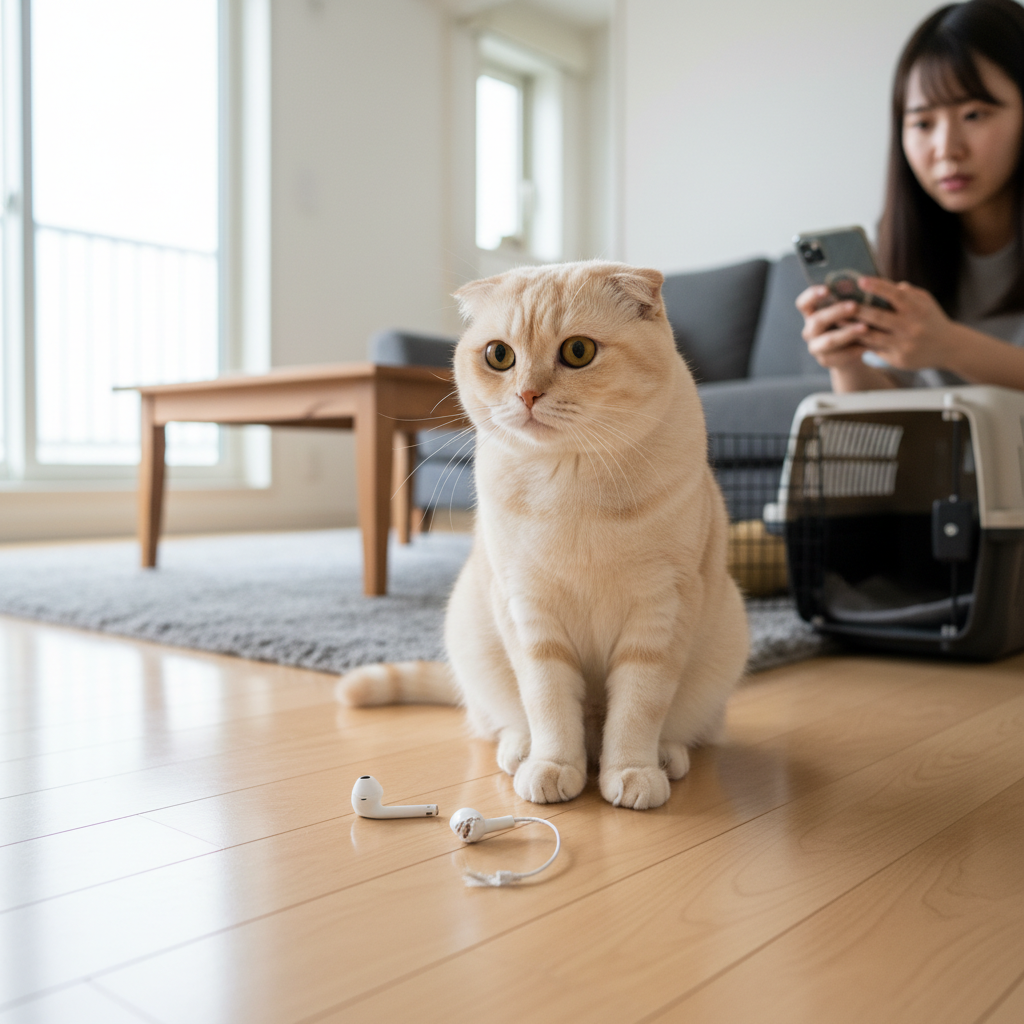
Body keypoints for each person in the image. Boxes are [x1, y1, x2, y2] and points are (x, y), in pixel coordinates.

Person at [797, 0, 1024, 392]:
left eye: (974, 115)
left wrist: (950, 345)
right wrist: (847, 363)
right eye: (922, 123)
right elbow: (886, 413)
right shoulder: (900, 244)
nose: (946, 149)